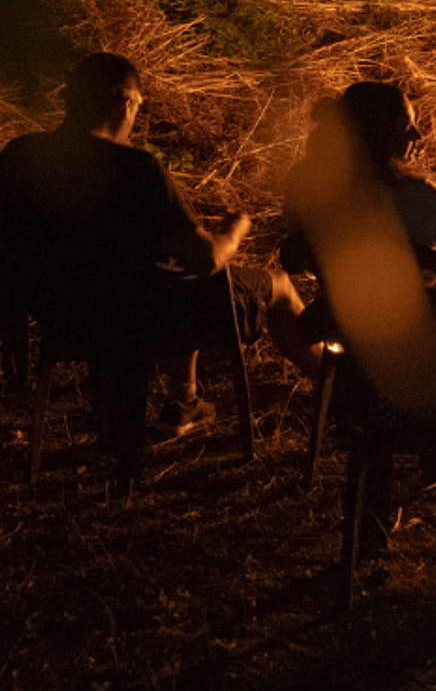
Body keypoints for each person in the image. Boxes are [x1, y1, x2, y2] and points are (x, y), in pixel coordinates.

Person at [0, 52, 307, 483]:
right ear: (126, 103)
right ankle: (342, 392)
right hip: (143, 324)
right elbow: (209, 259)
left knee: (167, 268)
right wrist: (234, 230)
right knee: (274, 283)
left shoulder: (20, 155)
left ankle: (184, 400)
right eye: (139, 108)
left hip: (62, 318)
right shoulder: (137, 168)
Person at [281, 81, 436, 404]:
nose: (418, 136)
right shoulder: (419, 198)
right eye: (407, 127)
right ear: (380, 136)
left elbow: (295, 258)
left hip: (344, 322)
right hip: (420, 324)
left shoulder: (309, 191)